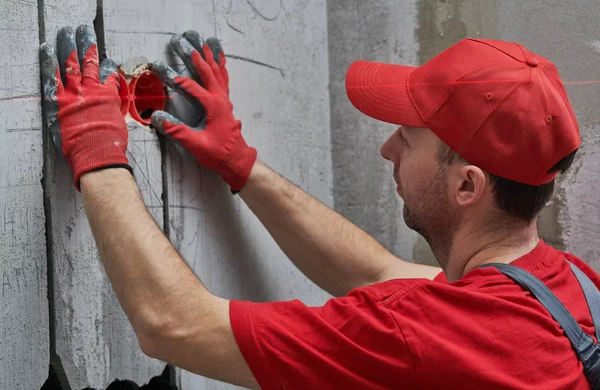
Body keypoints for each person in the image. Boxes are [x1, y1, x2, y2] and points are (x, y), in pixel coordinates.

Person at [40, 24, 599, 390]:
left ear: (467, 186)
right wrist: (241, 163)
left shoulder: (424, 336)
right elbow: (377, 273)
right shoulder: (571, 289)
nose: (387, 149)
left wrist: (97, 148)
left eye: (406, 138)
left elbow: (174, 325)